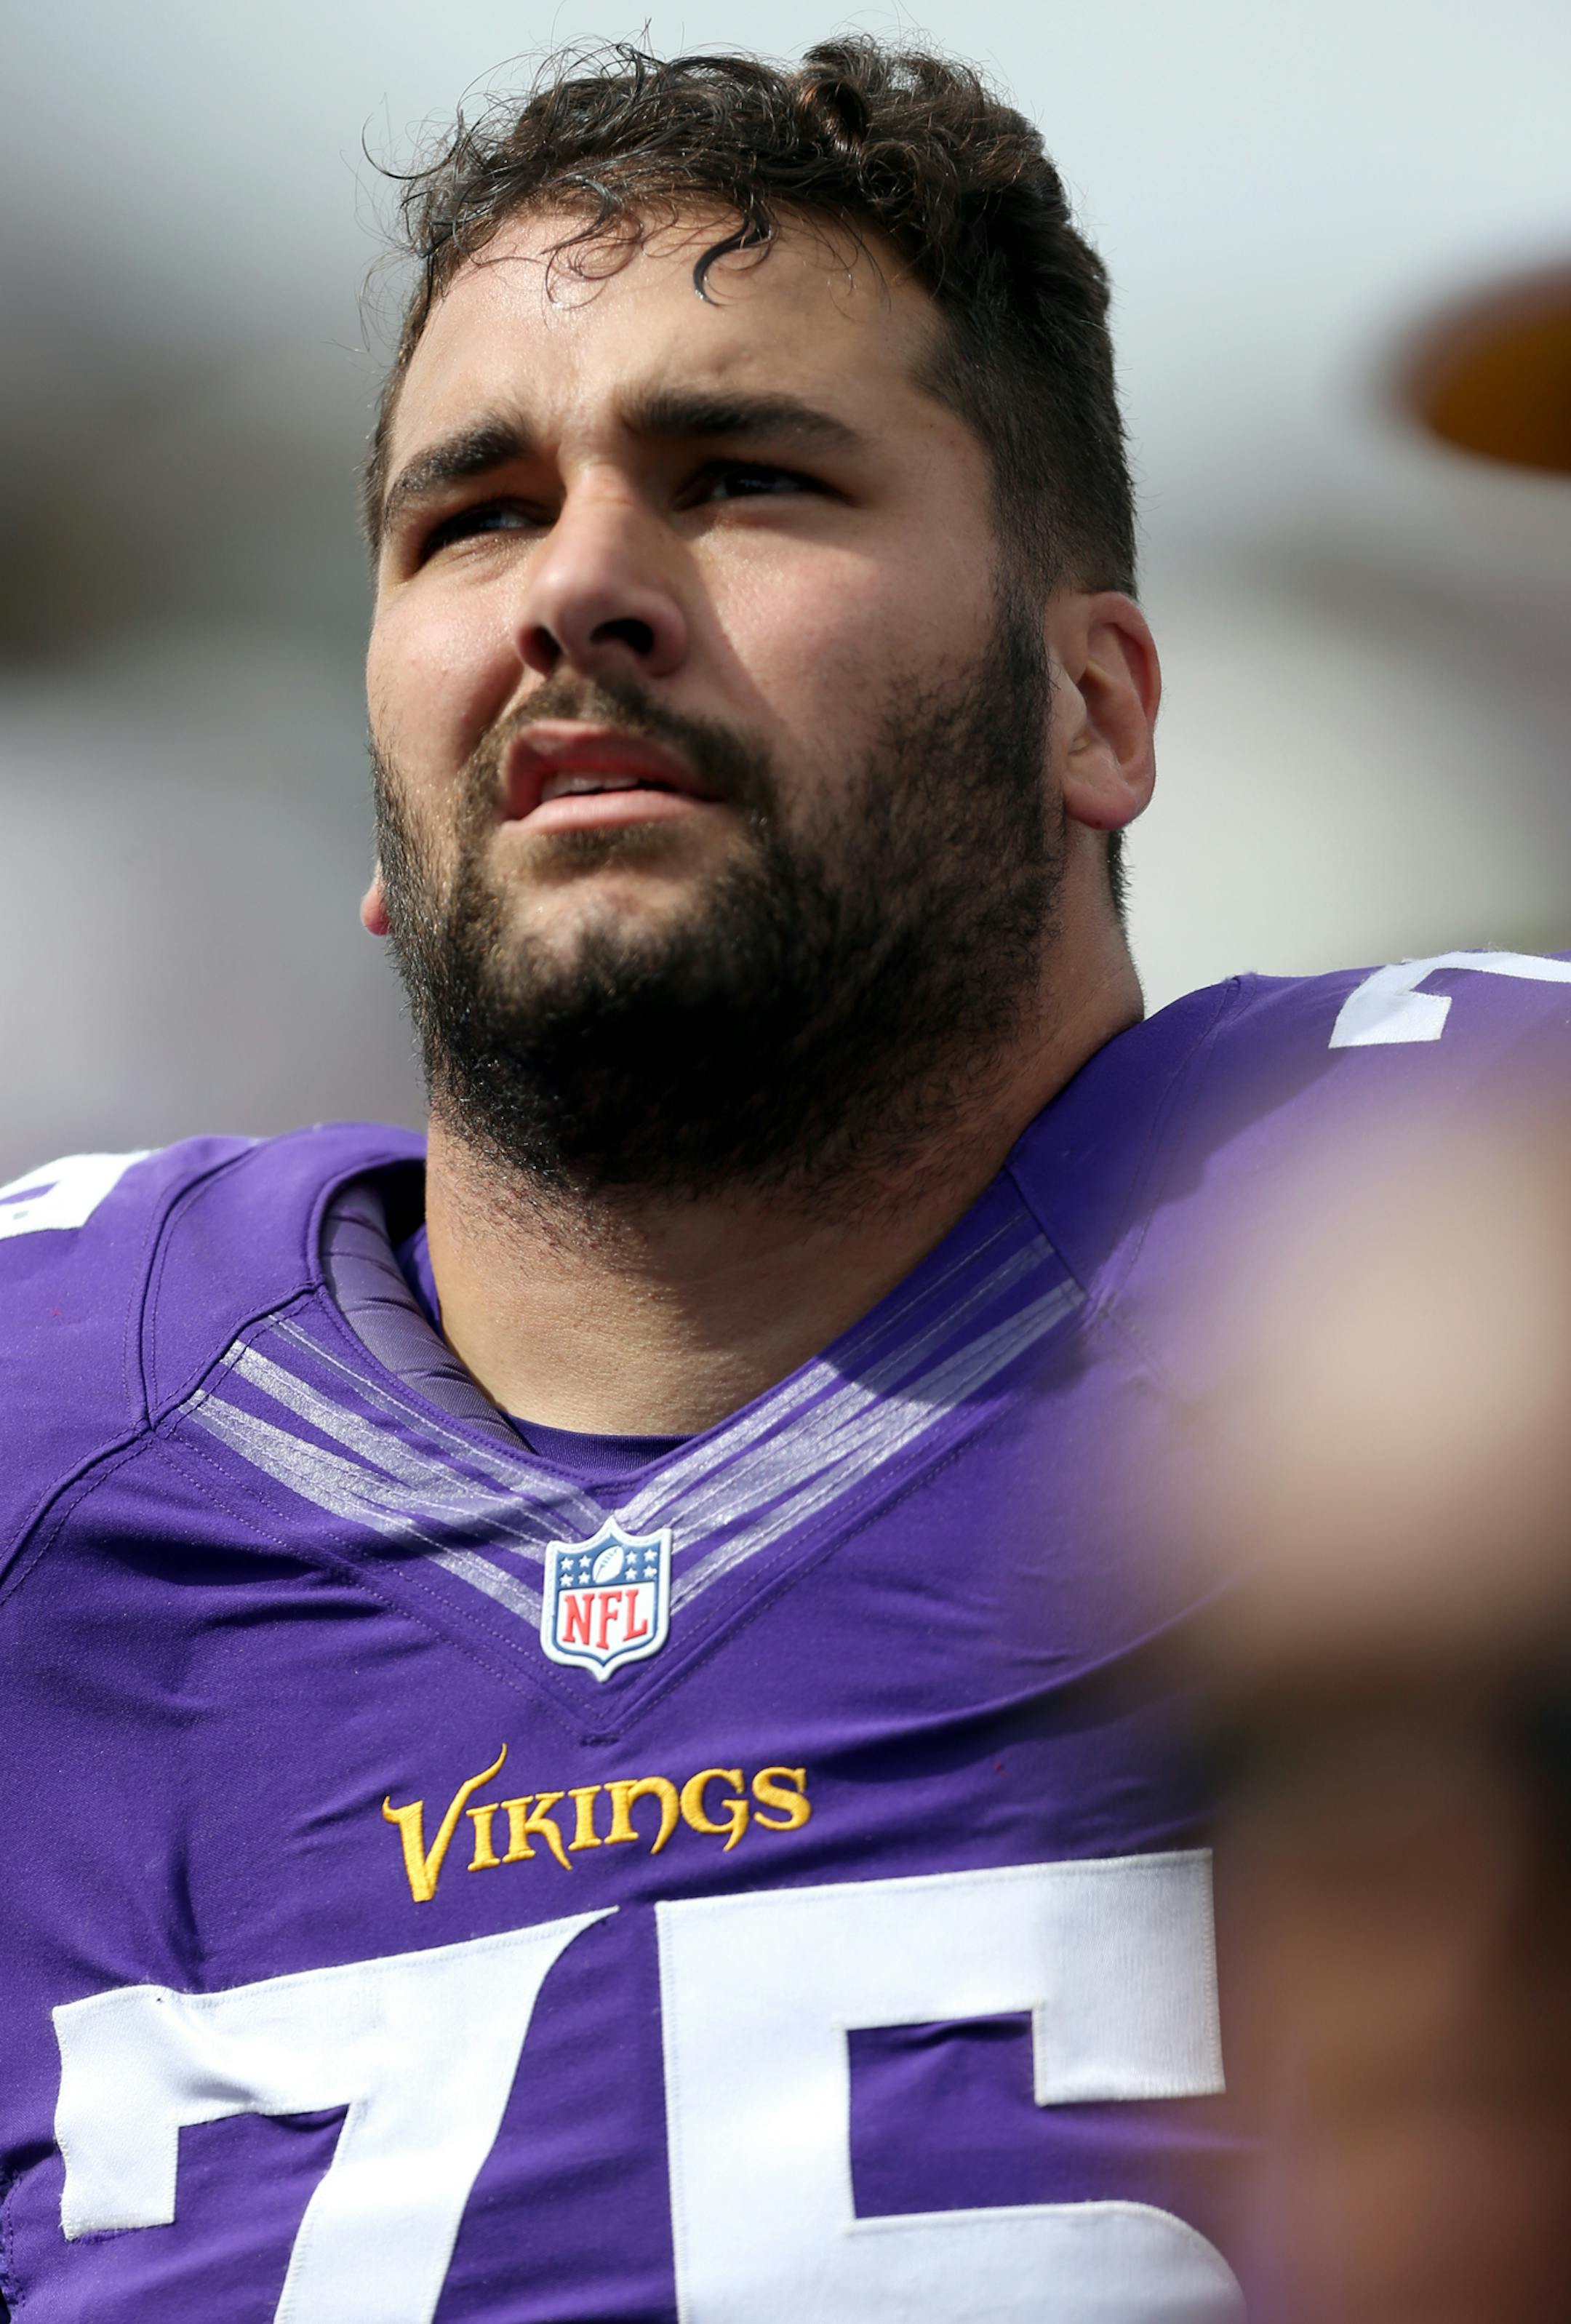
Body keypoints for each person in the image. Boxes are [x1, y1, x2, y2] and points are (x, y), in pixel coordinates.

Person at [1, 36, 1567, 2323]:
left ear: (1099, 708)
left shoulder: (1447, 1199)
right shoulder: (61, 1433)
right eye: (473, 515)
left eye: (745, 477)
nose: (582, 589)